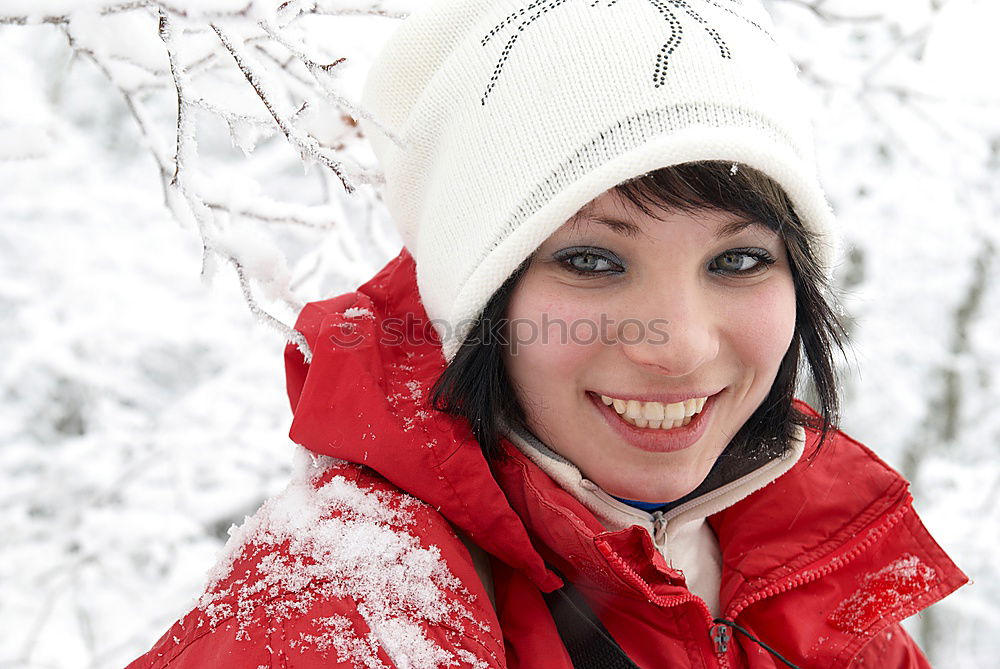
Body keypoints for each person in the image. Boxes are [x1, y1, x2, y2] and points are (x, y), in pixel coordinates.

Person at [126, 1, 967, 667]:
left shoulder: (810, 580)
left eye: (739, 259)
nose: (679, 345)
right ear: (482, 295)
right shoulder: (343, 616)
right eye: (594, 261)